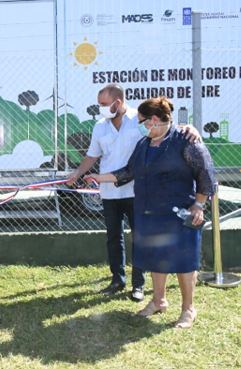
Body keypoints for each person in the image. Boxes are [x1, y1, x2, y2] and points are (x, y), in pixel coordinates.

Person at [85, 96, 214, 329]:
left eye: (142, 121)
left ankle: (188, 309)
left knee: (184, 261)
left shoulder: (186, 140)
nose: (140, 126)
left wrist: (199, 204)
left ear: (154, 120)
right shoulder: (144, 144)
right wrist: (99, 177)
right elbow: (128, 171)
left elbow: (205, 173)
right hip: (147, 212)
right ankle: (159, 301)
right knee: (155, 257)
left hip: (178, 214)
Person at [67, 84, 200, 302]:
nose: (100, 108)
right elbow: (92, 155)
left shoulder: (139, 122)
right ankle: (117, 280)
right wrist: (77, 173)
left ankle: (138, 285)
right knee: (113, 238)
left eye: (103, 104)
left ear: (117, 102)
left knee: (140, 238)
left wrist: (188, 127)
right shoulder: (100, 126)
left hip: (138, 191)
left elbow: (163, 129)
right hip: (109, 191)